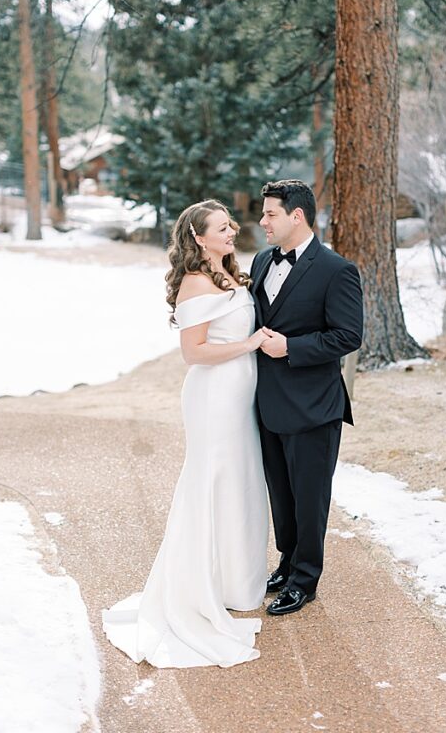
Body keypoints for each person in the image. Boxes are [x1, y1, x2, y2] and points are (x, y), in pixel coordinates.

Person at [102, 199, 270, 669]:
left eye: (230, 223)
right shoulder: (196, 283)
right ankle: (203, 584)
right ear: (199, 237)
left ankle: (237, 580)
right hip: (214, 396)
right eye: (221, 226)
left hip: (241, 395)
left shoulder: (230, 275)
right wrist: (250, 344)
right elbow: (194, 353)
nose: (232, 230)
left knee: (240, 480)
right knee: (213, 479)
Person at [252, 179, 363, 616]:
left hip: (315, 406)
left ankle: (305, 579)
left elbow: (348, 335)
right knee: (281, 492)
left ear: (296, 216)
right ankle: (287, 561)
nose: (262, 221)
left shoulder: (337, 270)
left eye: (270, 214)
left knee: (310, 495)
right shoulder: (262, 260)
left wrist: (292, 349)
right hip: (268, 403)